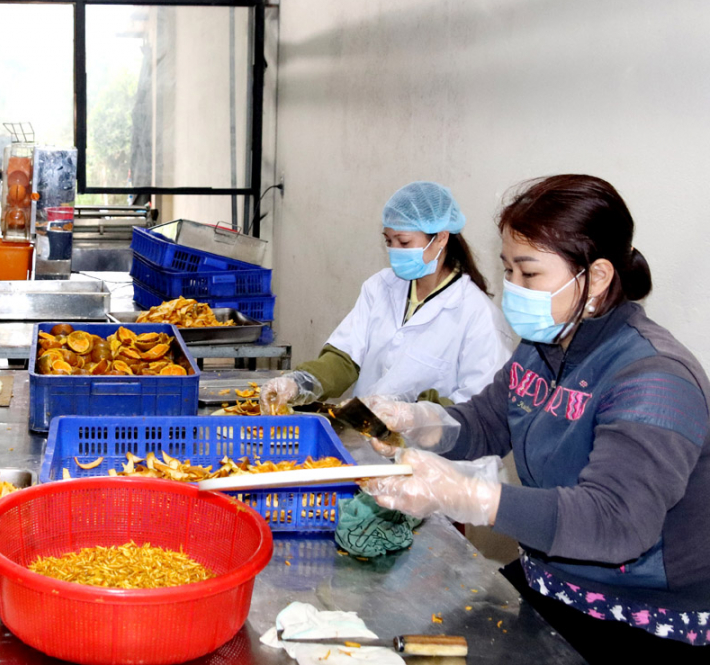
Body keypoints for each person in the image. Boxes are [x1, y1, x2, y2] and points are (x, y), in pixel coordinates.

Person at [364, 175, 710, 660]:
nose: (512, 289)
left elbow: (615, 522)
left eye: (529, 274)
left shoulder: (655, 379)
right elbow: (486, 422)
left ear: (599, 276)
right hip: (551, 582)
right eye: (508, 271)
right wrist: (417, 421)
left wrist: (472, 497)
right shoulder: (542, 348)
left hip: (641, 617)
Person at [260, 181, 514, 413]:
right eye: (388, 241)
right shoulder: (380, 287)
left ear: (441, 239)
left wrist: (409, 414)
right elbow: (346, 359)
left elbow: (478, 409)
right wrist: (300, 383)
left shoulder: (478, 317)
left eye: (403, 243)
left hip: (429, 458)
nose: (394, 251)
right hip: (366, 442)